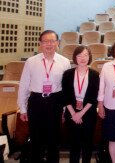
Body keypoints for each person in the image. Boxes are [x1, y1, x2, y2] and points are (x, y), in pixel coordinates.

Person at [18, 30, 71, 163]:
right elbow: (24, 85)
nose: (49, 44)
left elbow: (66, 89)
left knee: (54, 139)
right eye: (45, 41)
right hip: (36, 101)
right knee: (36, 138)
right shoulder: (31, 61)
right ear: (40, 44)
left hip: (56, 101)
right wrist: (23, 109)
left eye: (52, 41)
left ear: (57, 43)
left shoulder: (64, 62)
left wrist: (64, 110)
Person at [62, 46, 100, 163]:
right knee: (74, 144)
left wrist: (81, 113)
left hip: (88, 113)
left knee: (87, 143)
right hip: (71, 113)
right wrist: (74, 114)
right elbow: (65, 95)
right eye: (79, 55)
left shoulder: (94, 74)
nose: (82, 58)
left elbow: (94, 97)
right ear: (75, 57)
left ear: (89, 57)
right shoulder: (67, 74)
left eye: (85, 55)